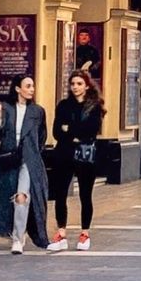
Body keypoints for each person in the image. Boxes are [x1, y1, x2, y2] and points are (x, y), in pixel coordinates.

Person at [0, 74, 49, 254]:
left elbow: (42, 136)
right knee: (6, 197)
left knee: (22, 196)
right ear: (18, 89)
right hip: (8, 159)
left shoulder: (37, 111)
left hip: (29, 160)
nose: (31, 89)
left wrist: (34, 152)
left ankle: (18, 239)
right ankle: (11, 232)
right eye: (27, 86)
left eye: (33, 86)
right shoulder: (6, 108)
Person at [47, 69, 105, 253]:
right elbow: (57, 131)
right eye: (73, 84)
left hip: (85, 157)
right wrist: (75, 133)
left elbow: (91, 130)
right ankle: (61, 233)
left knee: (85, 195)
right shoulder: (63, 105)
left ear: (87, 85)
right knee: (60, 194)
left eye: (79, 84)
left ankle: (85, 233)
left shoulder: (94, 107)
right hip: (63, 155)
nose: (75, 87)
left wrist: (70, 130)